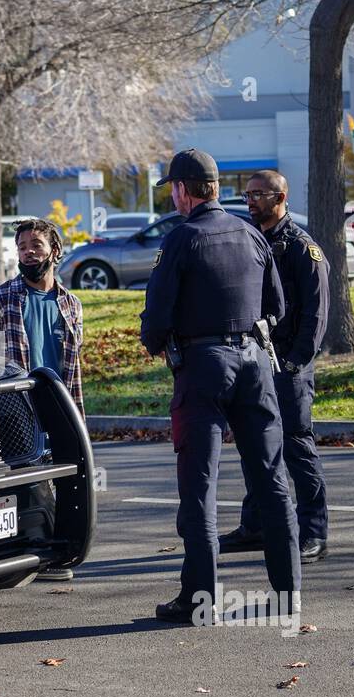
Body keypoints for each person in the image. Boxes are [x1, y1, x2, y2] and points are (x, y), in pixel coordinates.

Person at [139, 149, 301, 624]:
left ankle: (200, 599)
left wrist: (159, 342)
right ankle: (288, 592)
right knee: (271, 479)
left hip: (203, 365)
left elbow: (156, 317)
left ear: (184, 190)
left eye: (172, 187)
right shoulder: (251, 233)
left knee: (199, 486)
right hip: (254, 362)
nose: (171, 195)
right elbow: (277, 304)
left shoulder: (181, 240)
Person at [218, 171, 331, 563]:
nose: (249, 201)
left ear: (280, 197)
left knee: (297, 446)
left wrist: (296, 361)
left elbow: (317, 314)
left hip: (288, 364)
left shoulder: (302, 247)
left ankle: (314, 532)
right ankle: (257, 526)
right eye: (246, 194)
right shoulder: (249, 239)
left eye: (257, 194)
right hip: (253, 360)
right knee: (255, 444)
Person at [0, 216, 84, 582]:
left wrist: (77, 415)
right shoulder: (1, 299)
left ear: (54, 251)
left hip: (59, 404)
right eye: (21, 247)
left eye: (35, 246)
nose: (27, 253)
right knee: (25, 480)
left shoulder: (71, 304)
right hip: (16, 406)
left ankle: (57, 550)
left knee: (65, 477)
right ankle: (36, 555)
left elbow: (74, 366)